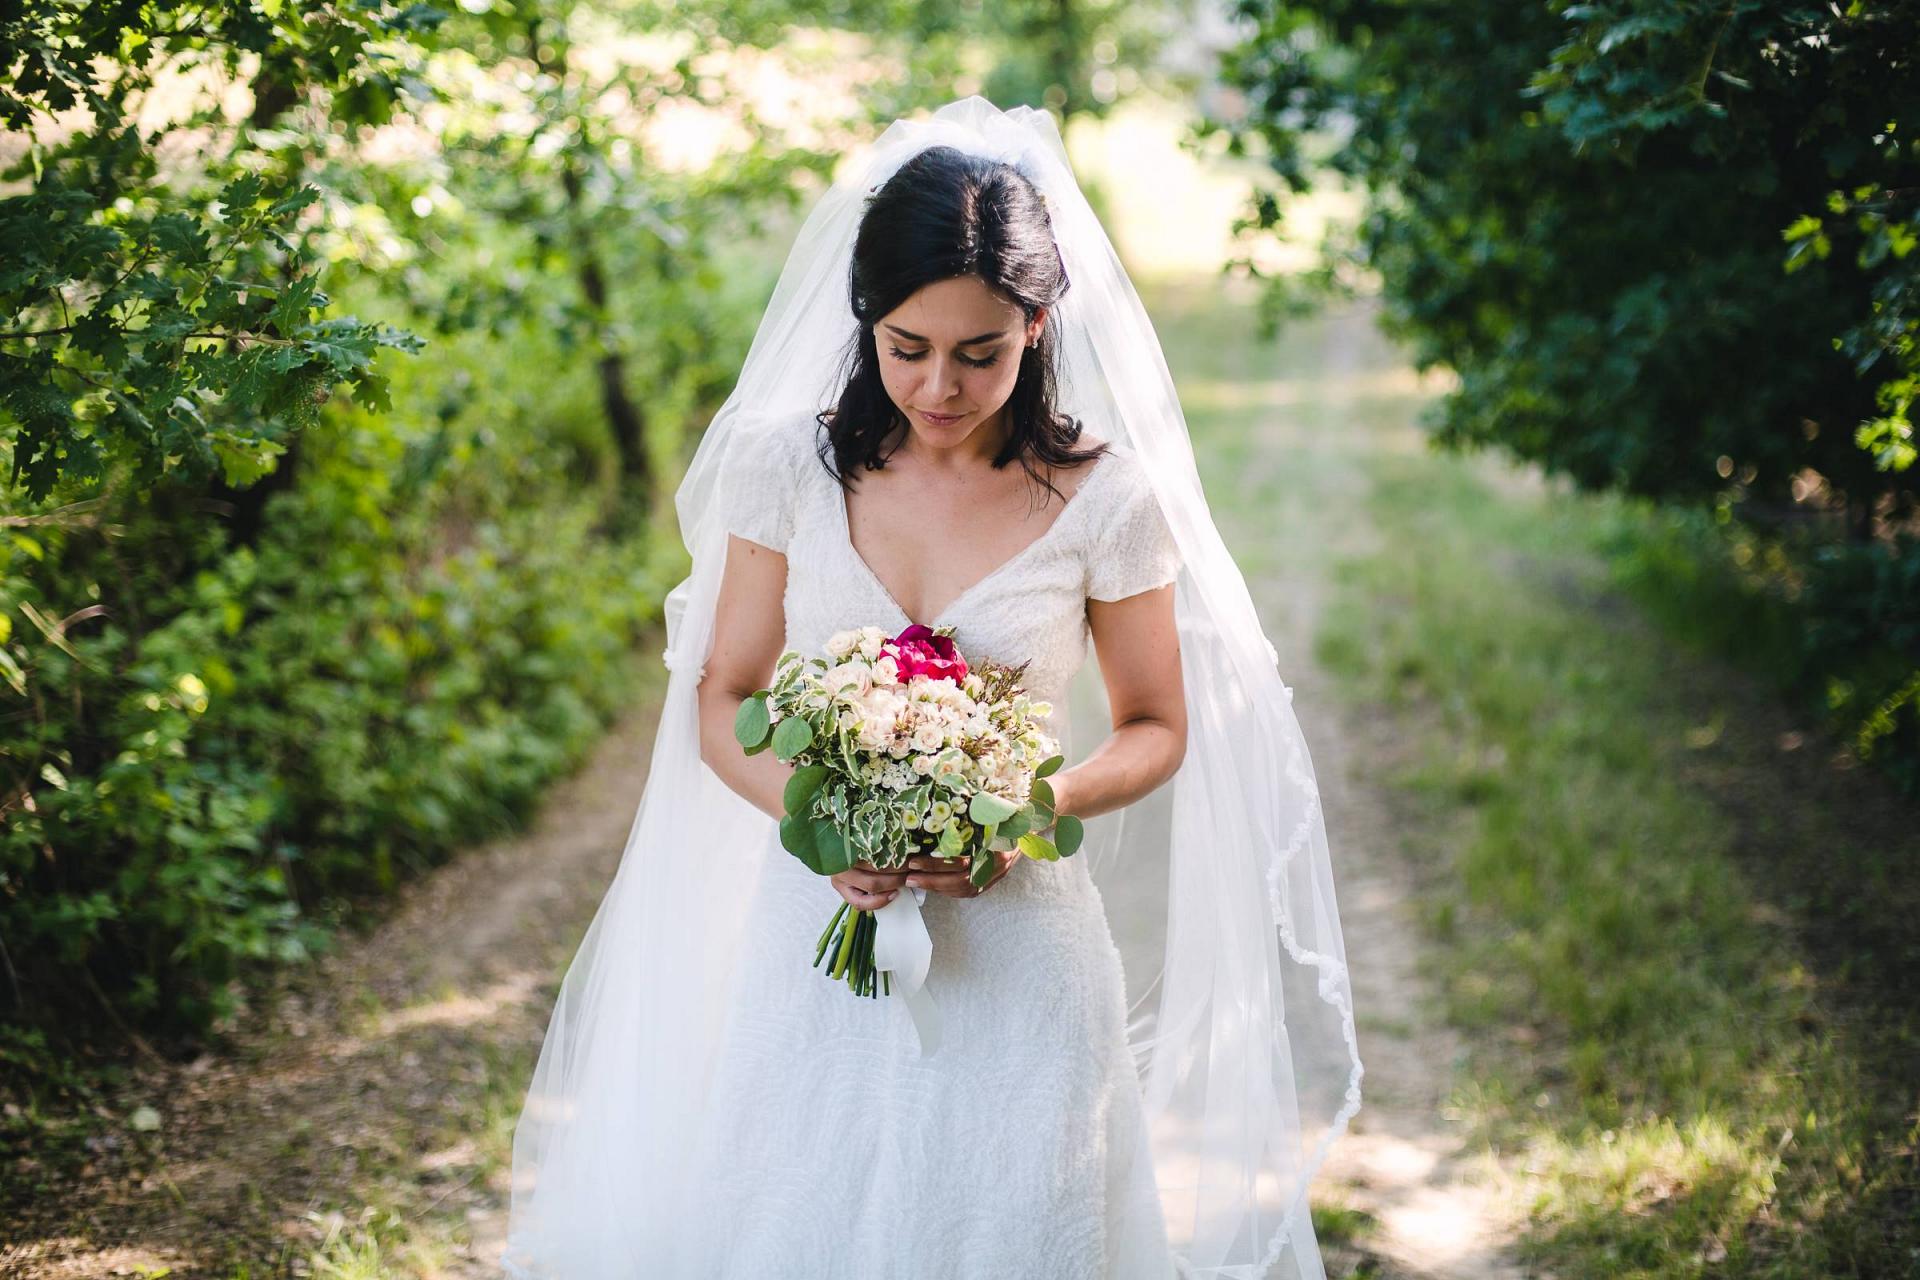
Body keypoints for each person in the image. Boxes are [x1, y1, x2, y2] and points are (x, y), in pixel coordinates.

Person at [501, 97, 1363, 1280]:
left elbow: (1155, 723)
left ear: (1039, 325)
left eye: (980, 353)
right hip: (815, 934)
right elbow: (723, 697)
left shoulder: (1104, 500)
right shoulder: (785, 468)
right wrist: (823, 826)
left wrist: (1031, 812)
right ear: (866, 324)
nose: (941, 387)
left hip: (1022, 946)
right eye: (907, 348)